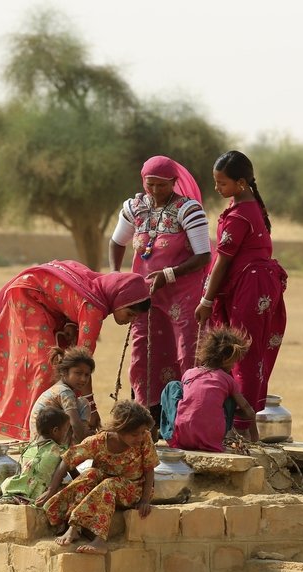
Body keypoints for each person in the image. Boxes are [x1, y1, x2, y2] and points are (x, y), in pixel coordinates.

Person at [0, 260, 151, 440]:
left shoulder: (97, 290)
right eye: (130, 314)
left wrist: (69, 321)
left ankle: (57, 429)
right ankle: (36, 435)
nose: (131, 321)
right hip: (27, 296)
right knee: (47, 367)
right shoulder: (93, 309)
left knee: (62, 363)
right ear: (119, 299)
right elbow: (81, 363)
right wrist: (92, 409)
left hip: (46, 304)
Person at [108, 156, 211, 419]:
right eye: (149, 184)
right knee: (143, 349)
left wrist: (169, 274)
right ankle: (146, 413)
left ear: (174, 182)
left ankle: (188, 415)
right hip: (145, 295)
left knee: (186, 351)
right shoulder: (135, 207)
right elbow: (117, 241)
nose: (154, 191)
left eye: (161, 185)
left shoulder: (189, 210)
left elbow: (203, 256)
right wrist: (115, 275)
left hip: (182, 295)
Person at [195, 150, 287, 439]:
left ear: (242, 183)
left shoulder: (241, 215)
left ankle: (242, 429)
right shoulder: (247, 206)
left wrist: (207, 300)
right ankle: (237, 425)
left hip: (249, 289)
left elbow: (223, 260)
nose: (217, 188)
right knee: (245, 353)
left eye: (222, 183)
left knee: (240, 355)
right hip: (254, 286)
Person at [37, 400, 158, 555]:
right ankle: (73, 527)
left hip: (134, 490)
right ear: (119, 429)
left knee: (109, 483)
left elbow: (149, 470)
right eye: (135, 434)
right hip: (105, 487)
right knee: (91, 474)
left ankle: (99, 540)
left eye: (143, 432)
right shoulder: (99, 441)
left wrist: (145, 500)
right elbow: (68, 459)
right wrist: (51, 489)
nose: (140, 437)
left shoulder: (144, 439)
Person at [164, 326, 258, 452]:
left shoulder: (189, 373)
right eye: (233, 362)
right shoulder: (227, 379)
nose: (233, 366)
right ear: (225, 360)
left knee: (172, 387)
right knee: (230, 397)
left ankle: (170, 436)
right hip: (212, 439)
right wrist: (254, 435)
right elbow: (249, 412)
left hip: (183, 438)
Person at [0, 406, 73, 504]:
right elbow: (73, 472)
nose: (65, 435)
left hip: (15, 490)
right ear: (55, 431)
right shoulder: (59, 451)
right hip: (38, 497)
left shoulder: (28, 448)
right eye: (65, 431)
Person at [27, 346, 100, 445]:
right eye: (78, 373)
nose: (83, 379)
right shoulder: (65, 392)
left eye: (87, 375)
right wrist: (88, 440)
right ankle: (79, 446)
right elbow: (75, 425)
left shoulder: (58, 388)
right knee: (83, 403)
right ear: (64, 372)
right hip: (47, 445)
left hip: (37, 443)